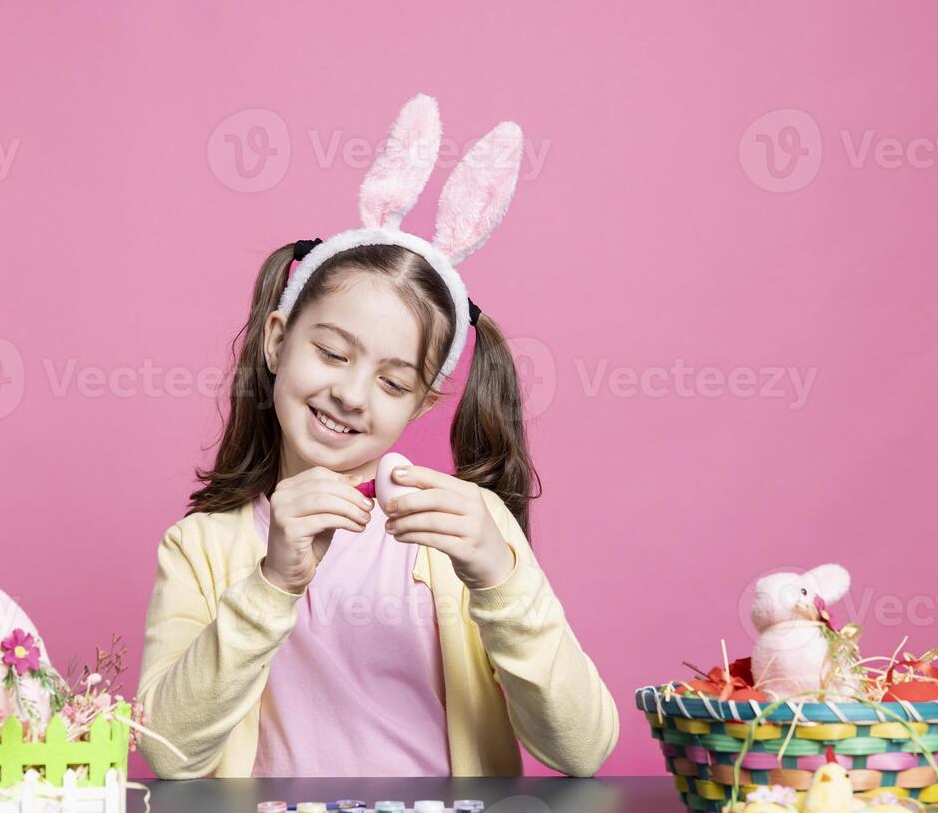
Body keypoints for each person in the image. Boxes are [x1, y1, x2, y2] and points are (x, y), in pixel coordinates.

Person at [136, 95, 618, 778]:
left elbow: (582, 748)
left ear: (420, 406)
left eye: (392, 383)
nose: (351, 394)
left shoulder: (470, 532)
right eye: (331, 353)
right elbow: (168, 753)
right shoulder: (202, 549)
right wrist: (274, 581)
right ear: (278, 340)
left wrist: (498, 579)